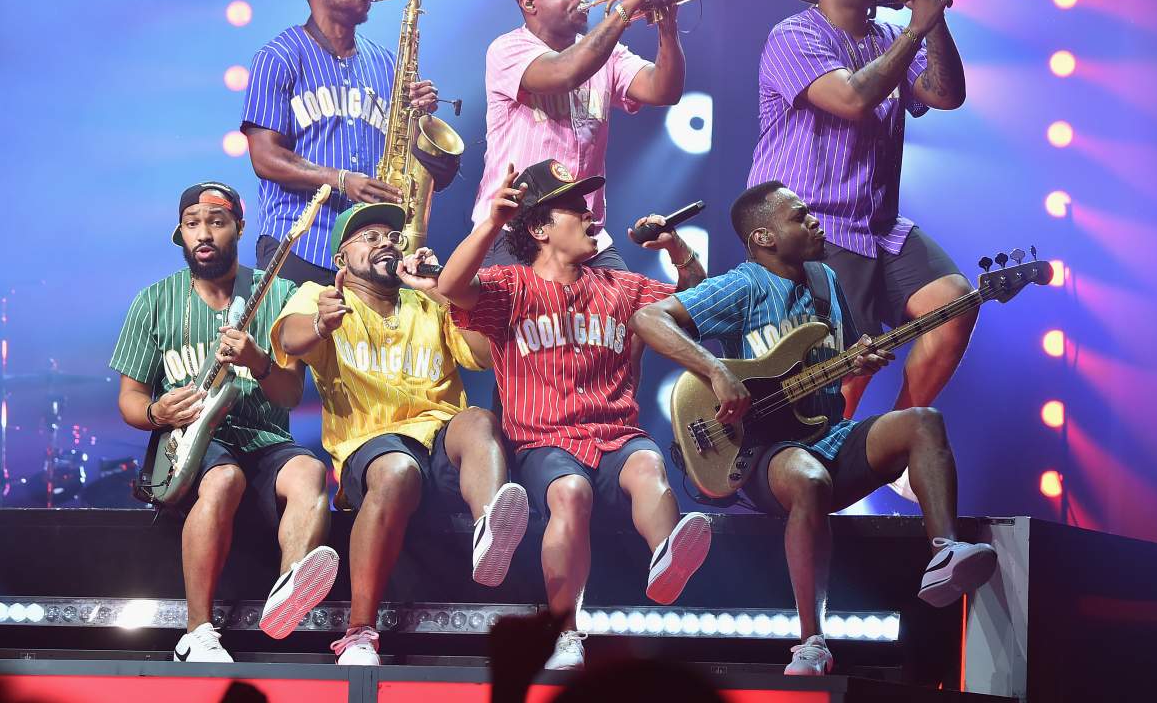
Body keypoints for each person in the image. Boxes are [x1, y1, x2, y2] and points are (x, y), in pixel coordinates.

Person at [630, 182, 997, 676]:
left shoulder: (826, 280)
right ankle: (811, 644)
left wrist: (855, 360)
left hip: (823, 436)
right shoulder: (743, 285)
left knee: (922, 423)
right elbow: (648, 317)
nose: (815, 223)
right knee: (807, 478)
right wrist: (718, 373)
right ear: (764, 236)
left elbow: (824, 369)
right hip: (756, 451)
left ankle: (944, 553)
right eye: (800, 217)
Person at [438, 158, 713, 670]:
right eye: (575, 210)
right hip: (545, 440)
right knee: (570, 492)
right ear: (540, 228)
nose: (591, 218)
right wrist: (492, 223)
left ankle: (667, 558)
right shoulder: (510, 286)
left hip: (617, 433)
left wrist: (676, 249)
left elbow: (694, 303)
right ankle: (566, 634)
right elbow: (453, 287)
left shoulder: (620, 286)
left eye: (589, 209)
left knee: (648, 466)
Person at [270, 202, 529, 666]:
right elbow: (288, 339)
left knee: (480, 423)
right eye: (370, 237)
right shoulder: (320, 294)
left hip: (440, 439)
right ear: (341, 259)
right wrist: (319, 324)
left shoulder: (426, 301)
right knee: (397, 470)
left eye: (391, 236)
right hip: (372, 443)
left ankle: (491, 529)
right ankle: (358, 634)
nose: (386, 242)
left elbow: (485, 355)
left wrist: (440, 290)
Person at [749, 0, 972, 425]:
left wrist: (932, 24)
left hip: (876, 223)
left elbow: (946, 95)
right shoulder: (793, 35)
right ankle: (826, 463)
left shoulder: (892, 37)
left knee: (954, 301)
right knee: (851, 363)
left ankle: (898, 439)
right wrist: (916, 28)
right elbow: (851, 98)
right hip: (810, 221)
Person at [112, 181, 336, 662]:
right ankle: (197, 633)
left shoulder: (279, 294)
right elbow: (130, 399)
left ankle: (289, 587)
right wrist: (156, 413)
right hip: (194, 447)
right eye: (193, 224)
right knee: (225, 478)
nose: (204, 233)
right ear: (181, 235)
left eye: (216, 221)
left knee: (311, 473)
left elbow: (291, 395)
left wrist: (258, 361)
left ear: (238, 227)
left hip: (265, 437)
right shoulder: (153, 301)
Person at [242, 0, 445, 286]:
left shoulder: (385, 63)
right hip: (300, 244)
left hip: (372, 254)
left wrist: (421, 120)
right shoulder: (277, 57)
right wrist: (339, 180)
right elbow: (264, 157)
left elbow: (412, 163)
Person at [473, 0, 687, 269]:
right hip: (515, 229)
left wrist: (666, 22)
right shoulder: (508, 49)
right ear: (529, 4)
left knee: (632, 317)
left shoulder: (607, 54)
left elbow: (663, 89)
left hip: (586, 234)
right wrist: (626, 7)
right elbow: (564, 72)